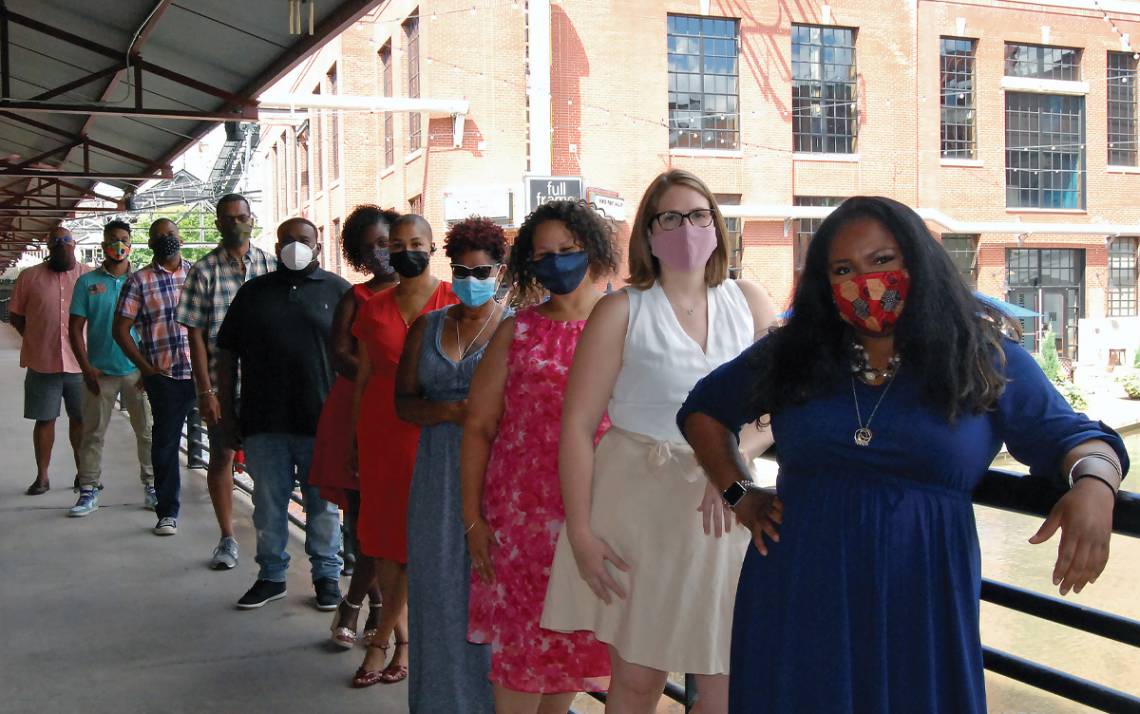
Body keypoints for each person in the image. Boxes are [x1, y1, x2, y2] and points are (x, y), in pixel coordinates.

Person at [676, 196, 1129, 713]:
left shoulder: (980, 358)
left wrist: (1095, 484)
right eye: (843, 269)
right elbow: (703, 412)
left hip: (921, 600)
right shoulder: (795, 353)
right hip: (800, 590)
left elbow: (1076, 437)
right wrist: (740, 494)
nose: (864, 281)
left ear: (918, 261)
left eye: (882, 260)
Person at [541, 170, 777, 713]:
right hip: (636, 509)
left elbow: (779, 411)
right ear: (648, 235)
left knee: (725, 684)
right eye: (668, 217)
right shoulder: (620, 310)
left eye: (698, 215)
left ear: (716, 226)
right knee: (637, 681)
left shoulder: (750, 301)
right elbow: (578, 427)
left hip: (724, 507)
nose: (686, 227)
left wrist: (732, 467)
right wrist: (579, 531)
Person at [462, 200, 617, 713]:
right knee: (519, 667)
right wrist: (472, 520)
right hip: (522, 526)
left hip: (598, 520)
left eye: (567, 250)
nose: (555, 262)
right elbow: (480, 427)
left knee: (570, 657)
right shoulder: (518, 330)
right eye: (543, 253)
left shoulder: (626, 324)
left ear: (591, 250)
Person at [391, 217, 509, 709]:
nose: (472, 280)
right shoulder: (428, 326)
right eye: (463, 270)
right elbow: (404, 402)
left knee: (493, 592)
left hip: (498, 476)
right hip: (437, 476)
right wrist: (452, 413)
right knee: (438, 598)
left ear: (500, 272)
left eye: (482, 272)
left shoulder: (516, 326)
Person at [215, 217, 348, 611]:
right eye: (287, 240)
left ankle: (326, 576)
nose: (295, 246)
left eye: (303, 240)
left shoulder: (340, 293)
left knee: (323, 505)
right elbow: (227, 353)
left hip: (321, 421)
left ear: (318, 244)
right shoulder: (253, 293)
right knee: (268, 504)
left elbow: (356, 359)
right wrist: (227, 412)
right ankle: (271, 576)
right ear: (275, 246)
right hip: (263, 421)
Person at [350, 214, 457, 686]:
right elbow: (364, 377)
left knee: (419, 540)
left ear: (432, 247)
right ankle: (401, 641)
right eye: (397, 244)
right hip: (380, 434)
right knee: (384, 544)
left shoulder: (456, 300)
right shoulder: (373, 307)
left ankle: (386, 642)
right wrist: (355, 438)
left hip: (435, 437)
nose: (406, 250)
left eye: (416, 242)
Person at [176, 193, 276, 569]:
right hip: (222, 385)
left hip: (265, 387)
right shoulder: (203, 271)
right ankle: (227, 538)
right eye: (229, 218)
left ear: (252, 219)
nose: (237, 224)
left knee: (267, 462)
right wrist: (206, 391)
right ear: (218, 223)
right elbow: (196, 337)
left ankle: (270, 535)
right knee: (221, 456)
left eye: (242, 217)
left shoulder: (270, 264)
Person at [316, 205, 400, 648]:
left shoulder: (425, 294)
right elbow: (342, 355)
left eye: (385, 242)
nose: (380, 254)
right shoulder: (356, 297)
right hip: (356, 414)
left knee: (391, 520)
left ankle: (366, 605)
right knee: (366, 519)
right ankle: (367, 605)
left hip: (406, 418)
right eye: (369, 248)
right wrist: (386, 373)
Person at [67, 220, 155, 517]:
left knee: (146, 432)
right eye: (113, 239)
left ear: (131, 244)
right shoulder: (87, 282)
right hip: (99, 374)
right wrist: (86, 368)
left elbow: (151, 326)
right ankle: (88, 490)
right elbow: (75, 328)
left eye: (124, 239)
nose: (119, 245)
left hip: (135, 372)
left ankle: (152, 486)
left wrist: (147, 368)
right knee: (92, 434)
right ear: (104, 244)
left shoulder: (141, 281)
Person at [113, 219, 194, 537]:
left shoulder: (197, 275)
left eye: (170, 235)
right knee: (164, 444)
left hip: (203, 374)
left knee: (225, 442)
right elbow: (120, 329)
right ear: (150, 244)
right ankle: (167, 512)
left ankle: (225, 508)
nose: (166, 241)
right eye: (159, 237)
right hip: (166, 376)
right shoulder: (139, 281)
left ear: (181, 238)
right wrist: (146, 368)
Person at [10, 227, 89, 495]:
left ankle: (84, 475)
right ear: (48, 248)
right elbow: (16, 316)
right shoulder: (29, 277)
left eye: (66, 242)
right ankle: (42, 477)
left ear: (74, 244)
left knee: (81, 420)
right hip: (42, 362)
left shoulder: (87, 276)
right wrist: (34, 338)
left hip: (81, 365)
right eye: (55, 243)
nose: (62, 247)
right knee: (44, 420)